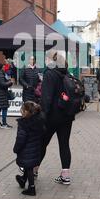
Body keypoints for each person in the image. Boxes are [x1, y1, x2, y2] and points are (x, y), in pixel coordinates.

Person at [39, 51, 75, 185]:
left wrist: (43, 114)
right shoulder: (66, 73)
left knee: (42, 143)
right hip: (67, 115)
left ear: (51, 60)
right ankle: (65, 175)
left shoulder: (49, 74)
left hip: (52, 116)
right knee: (64, 145)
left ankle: (34, 169)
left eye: (45, 58)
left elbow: (46, 98)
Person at [14, 101, 46, 196]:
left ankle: (31, 188)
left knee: (28, 168)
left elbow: (21, 138)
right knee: (30, 166)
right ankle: (23, 179)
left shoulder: (24, 124)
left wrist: (16, 149)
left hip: (26, 150)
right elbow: (43, 132)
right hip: (35, 148)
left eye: (22, 110)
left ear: (25, 112)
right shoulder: (39, 120)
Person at [0, 63, 13, 129]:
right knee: (4, 108)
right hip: (1, 94)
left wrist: (8, 81)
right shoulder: (0, 74)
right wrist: (10, 82)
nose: (4, 67)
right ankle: (4, 124)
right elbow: (3, 84)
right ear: (1, 68)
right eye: (3, 67)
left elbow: (2, 82)